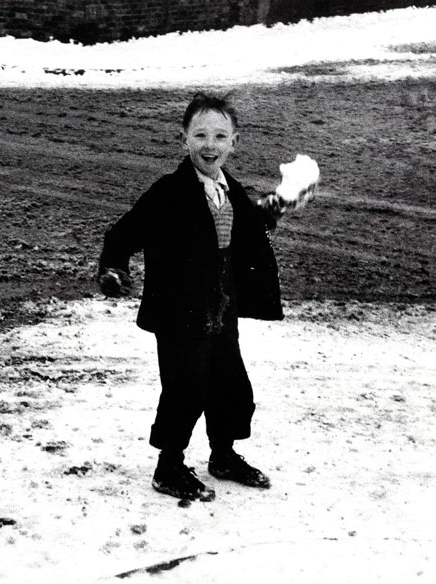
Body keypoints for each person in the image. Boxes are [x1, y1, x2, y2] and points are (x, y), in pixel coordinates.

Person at [98, 92, 294, 502]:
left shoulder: (229, 188)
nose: (210, 145)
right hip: (177, 309)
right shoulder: (168, 191)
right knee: (185, 388)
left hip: (220, 306)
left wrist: (277, 205)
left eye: (220, 136)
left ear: (234, 142)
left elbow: (250, 228)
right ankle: (168, 466)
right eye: (200, 135)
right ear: (183, 138)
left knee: (230, 383)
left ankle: (223, 455)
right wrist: (114, 267)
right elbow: (123, 233)